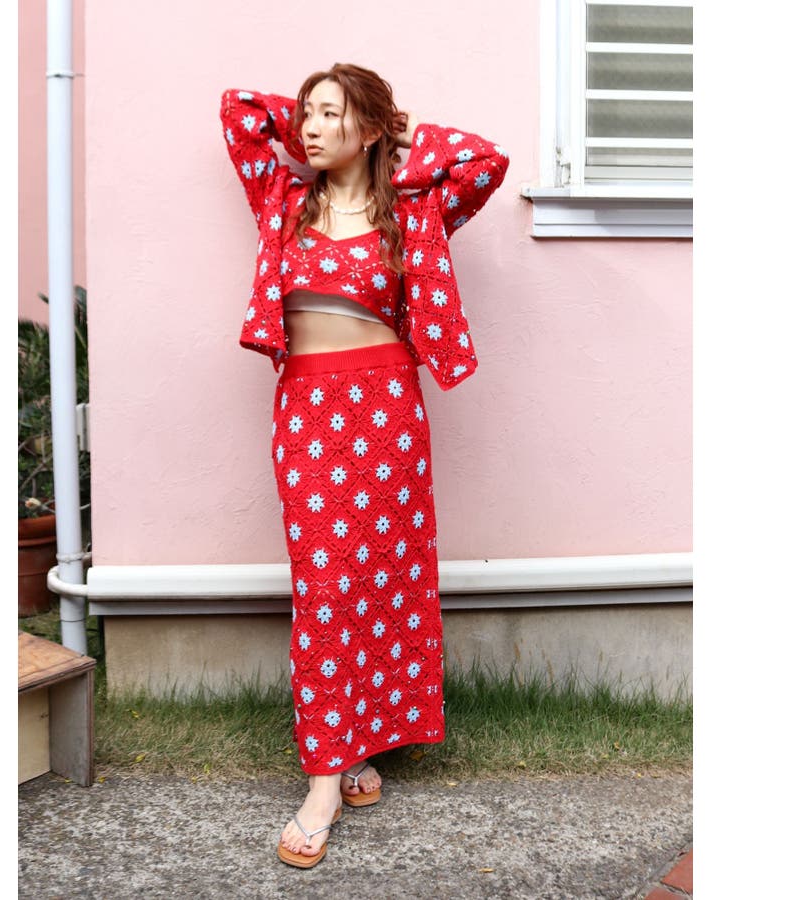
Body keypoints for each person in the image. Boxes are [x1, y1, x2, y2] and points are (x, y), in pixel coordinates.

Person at [220, 63, 508, 868]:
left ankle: (355, 750)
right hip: (308, 410)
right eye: (306, 115)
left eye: (330, 115)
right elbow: (239, 112)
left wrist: (396, 135)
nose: (310, 128)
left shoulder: (414, 210)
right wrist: (314, 113)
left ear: (373, 127)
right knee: (324, 585)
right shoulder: (281, 199)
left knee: (379, 580)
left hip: (388, 410)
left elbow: (484, 161)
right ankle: (323, 778)